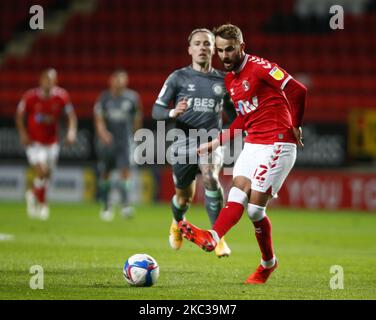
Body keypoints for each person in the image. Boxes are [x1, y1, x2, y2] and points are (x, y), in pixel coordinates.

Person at [179, 24, 307, 284]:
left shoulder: (260, 68)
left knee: (255, 211)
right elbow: (242, 120)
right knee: (237, 192)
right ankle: (213, 237)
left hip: (278, 143)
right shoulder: (230, 80)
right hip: (253, 144)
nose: (224, 56)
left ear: (242, 47)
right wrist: (215, 143)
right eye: (220, 51)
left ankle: (267, 264)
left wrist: (295, 124)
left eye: (229, 50)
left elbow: (298, 90)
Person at [152, 28, 237, 257]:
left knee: (210, 176)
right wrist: (172, 113)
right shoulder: (178, 78)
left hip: (211, 142)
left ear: (213, 49)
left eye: (207, 44)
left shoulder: (223, 80)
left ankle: (218, 237)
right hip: (182, 143)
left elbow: (236, 114)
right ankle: (177, 223)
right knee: (183, 197)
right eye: (197, 43)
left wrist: (235, 132)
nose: (202, 47)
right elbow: (156, 110)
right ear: (190, 49)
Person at [15, 68, 77, 220]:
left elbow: (70, 116)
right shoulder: (30, 97)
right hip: (34, 142)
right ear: (41, 80)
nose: (48, 82)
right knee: (42, 171)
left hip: (51, 142)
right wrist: (23, 134)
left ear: (55, 81)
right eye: (46, 79)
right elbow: (19, 115)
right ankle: (43, 205)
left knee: (47, 175)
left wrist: (71, 132)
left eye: (52, 80)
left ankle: (33, 194)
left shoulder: (61, 96)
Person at [94, 70, 143, 221]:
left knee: (125, 172)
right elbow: (99, 118)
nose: (119, 83)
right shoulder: (104, 98)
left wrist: (136, 134)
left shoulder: (132, 98)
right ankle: (106, 206)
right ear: (111, 81)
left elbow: (137, 116)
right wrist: (103, 133)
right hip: (107, 142)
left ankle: (125, 206)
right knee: (106, 173)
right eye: (117, 80)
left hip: (125, 142)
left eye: (122, 80)